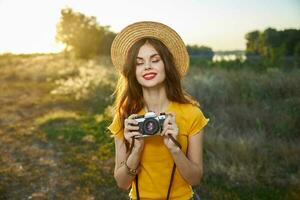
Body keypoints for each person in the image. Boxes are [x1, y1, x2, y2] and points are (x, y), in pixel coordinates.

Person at [108, 21, 209, 200]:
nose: (147, 66)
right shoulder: (126, 117)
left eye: (155, 60)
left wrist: (174, 148)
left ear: (166, 65)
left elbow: (194, 179)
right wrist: (136, 149)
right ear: (133, 72)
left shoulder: (191, 114)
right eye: (139, 63)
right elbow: (122, 183)